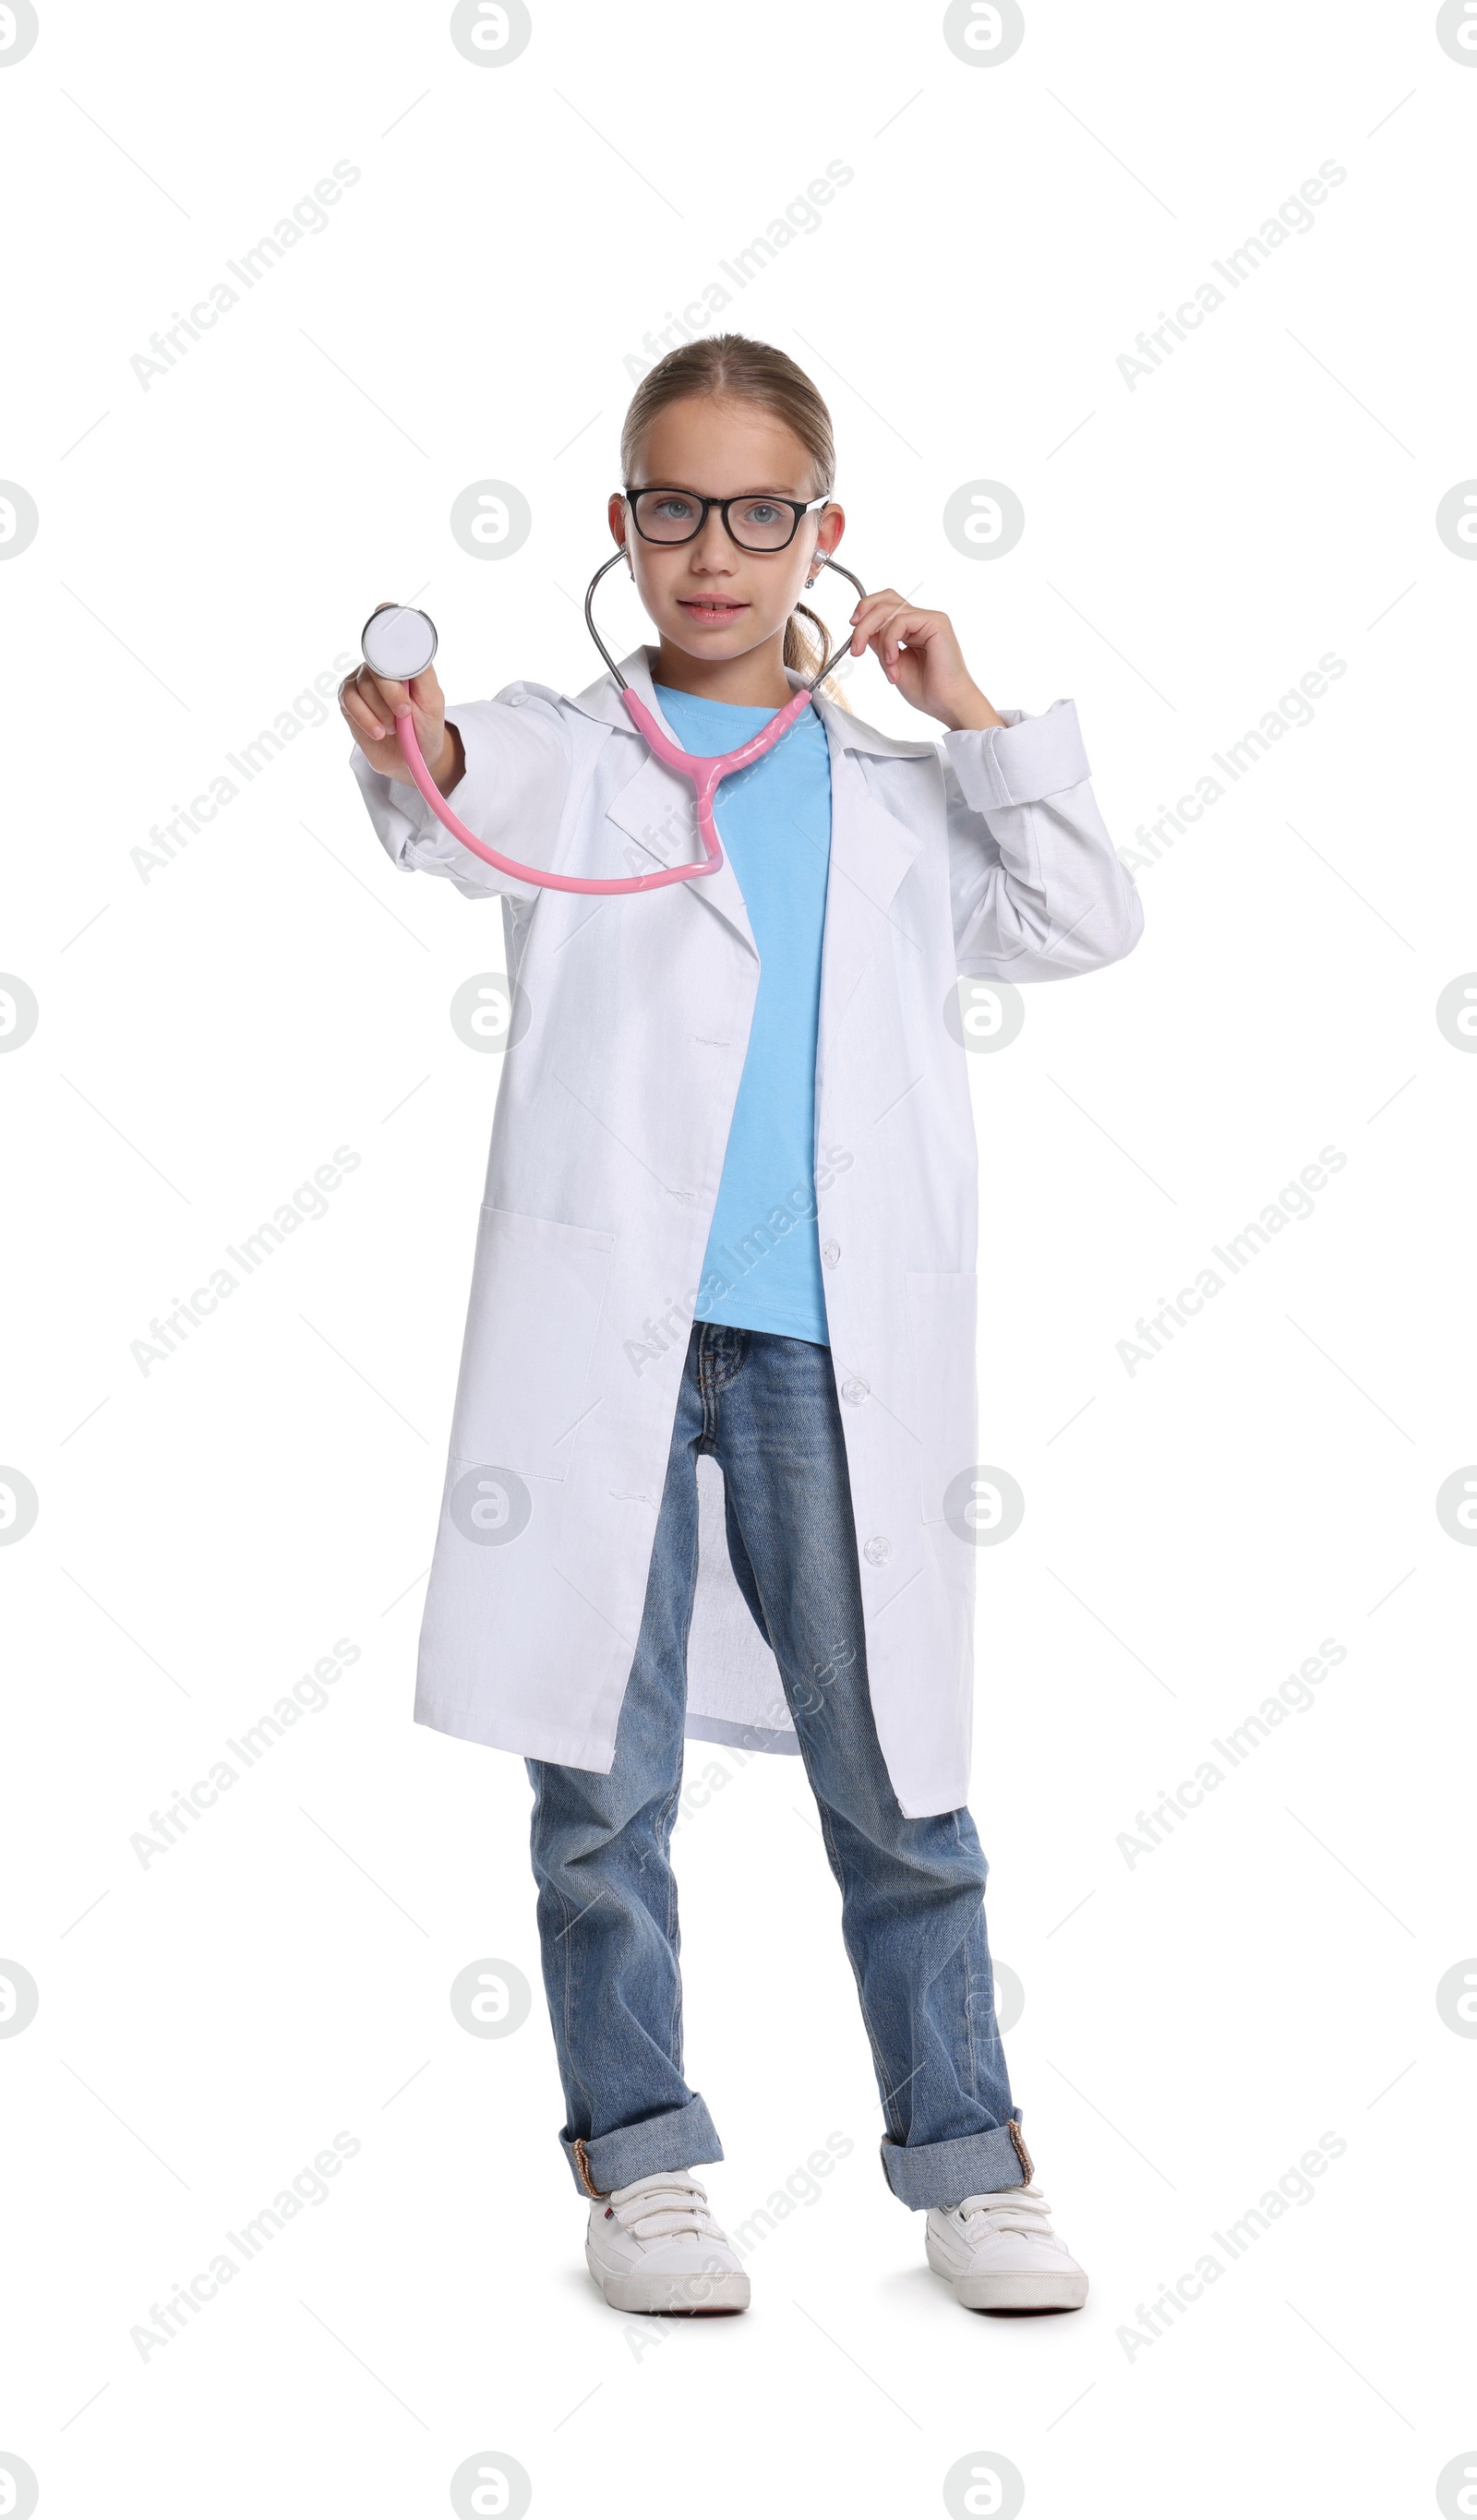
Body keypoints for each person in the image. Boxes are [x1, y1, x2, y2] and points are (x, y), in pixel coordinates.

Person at [341, 335, 1143, 2319]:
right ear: (621, 530)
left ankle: (967, 2157)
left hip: (819, 1352)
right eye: (675, 508)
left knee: (897, 1774)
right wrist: (408, 735)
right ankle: (642, 2166)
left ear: (825, 535)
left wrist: (967, 710)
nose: (716, 551)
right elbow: (449, 800)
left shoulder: (892, 792)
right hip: (608, 1332)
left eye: (758, 510)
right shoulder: (564, 747)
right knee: (596, 1786)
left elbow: (1086, 918)